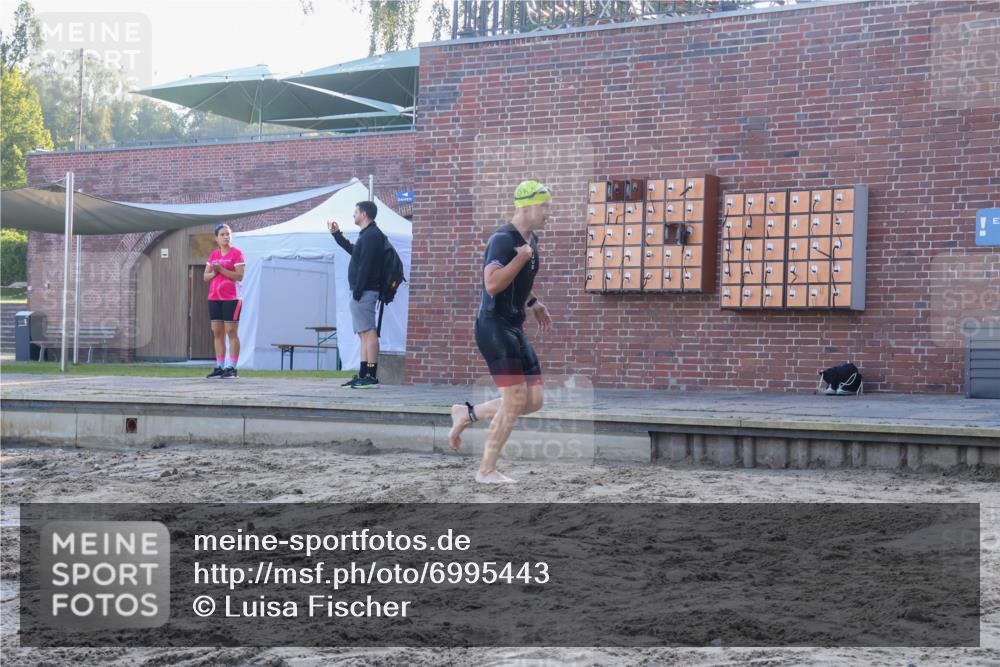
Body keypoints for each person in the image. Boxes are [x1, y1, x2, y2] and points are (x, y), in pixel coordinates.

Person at [448, 180, 554, 484]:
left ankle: (466, 413)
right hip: (494, 326)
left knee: (534, 400)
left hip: (514, 325)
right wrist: (520, 258)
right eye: (545, 206)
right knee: (514, 399)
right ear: (527, 206)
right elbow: (492, 284)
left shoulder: (529, 239)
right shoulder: (503, 240)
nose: (549, 212)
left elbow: (519, 280)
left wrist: (533, 302)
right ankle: (486, 471)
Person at [327, 201, 387, 388]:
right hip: (362, 290)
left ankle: (371, 376)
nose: (353, 215)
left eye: (355, 212)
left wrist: (359, 291)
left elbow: (366, 265)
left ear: (364, 214)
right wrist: (337, 235)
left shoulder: (372, 235)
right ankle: (363, 373)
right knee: (363, 333)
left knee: (369, 332)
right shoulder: (367, 235)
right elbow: (355, 253)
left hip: (365, 290)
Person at [204, 223, 245, 379]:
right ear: (216, 238)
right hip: (214, 297)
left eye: (228, 234)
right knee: (217, 332)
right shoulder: (214, 254)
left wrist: (221, 269)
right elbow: (205, 276)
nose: (226, 237)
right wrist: (215, 272)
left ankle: (232, 368)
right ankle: (220, 367)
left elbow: (239, 276)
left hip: (232, 298)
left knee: (231, 331)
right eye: (222, 234)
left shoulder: (237, 253)